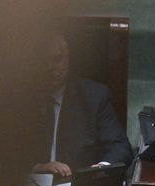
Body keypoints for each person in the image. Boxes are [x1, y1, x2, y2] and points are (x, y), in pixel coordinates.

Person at [31, 34, 132, 178]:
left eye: (57, 59)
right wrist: (37, 167)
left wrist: (100, 168)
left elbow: (120, 148)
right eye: (44, 60)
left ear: (68, 59)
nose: (50, 67)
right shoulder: (20, 98)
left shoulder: (94, 96)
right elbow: (4, 151)